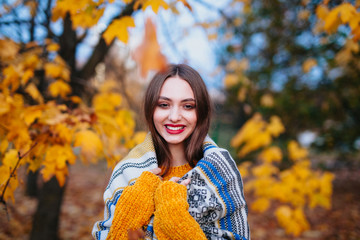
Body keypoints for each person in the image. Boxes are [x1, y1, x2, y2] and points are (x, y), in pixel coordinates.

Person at [92, 64, 250, 240]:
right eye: (164, 104)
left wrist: (174, 219)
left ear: (201, 112)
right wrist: (132, 211)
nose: (174, 116)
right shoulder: (128, 173)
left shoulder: (220, 173)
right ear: (151, 109)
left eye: (188, 106)